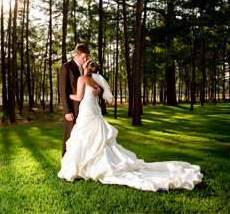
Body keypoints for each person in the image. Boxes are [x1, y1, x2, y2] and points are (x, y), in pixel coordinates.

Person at [57, 60, 203, 191]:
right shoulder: (95, 80)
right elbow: (98, 91)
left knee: (85, 136)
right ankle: (93, 163)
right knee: (96, 138)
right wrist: (98, 91)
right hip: (94, 111)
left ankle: (86, 165)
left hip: (87, 110)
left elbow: (78, 97)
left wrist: (66, 95)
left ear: (85, 68)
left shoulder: (82, 78)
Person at [59, 44, 101, 156]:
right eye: (83, 57)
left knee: (85, 137)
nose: (85, 59)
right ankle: (66, 161)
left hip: (87, 109)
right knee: (70, 136)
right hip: (72, 108)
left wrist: (98, 91)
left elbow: (96, 83)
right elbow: (63, 91)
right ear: (76, 54)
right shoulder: (66, 67)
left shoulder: (88, 67)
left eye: (86, 57)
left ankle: (82, 161)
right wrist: (67, 111)